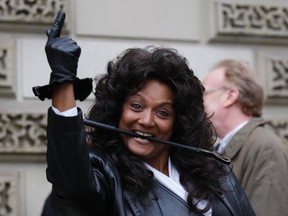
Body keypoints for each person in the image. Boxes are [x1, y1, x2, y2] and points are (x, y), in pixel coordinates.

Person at [34, 11, 255, 216]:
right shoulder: (104, 174)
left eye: (162, 112)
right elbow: (72, 186)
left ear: (179, 121)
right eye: (136, 106)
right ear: (117, 110)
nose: (147, 121)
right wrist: (63, 81)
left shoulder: (214, 169)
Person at [202, 59, 288, 216]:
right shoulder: (225, 148)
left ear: (230, 96)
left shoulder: (265, 147)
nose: (199, 101)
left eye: (204, 92)